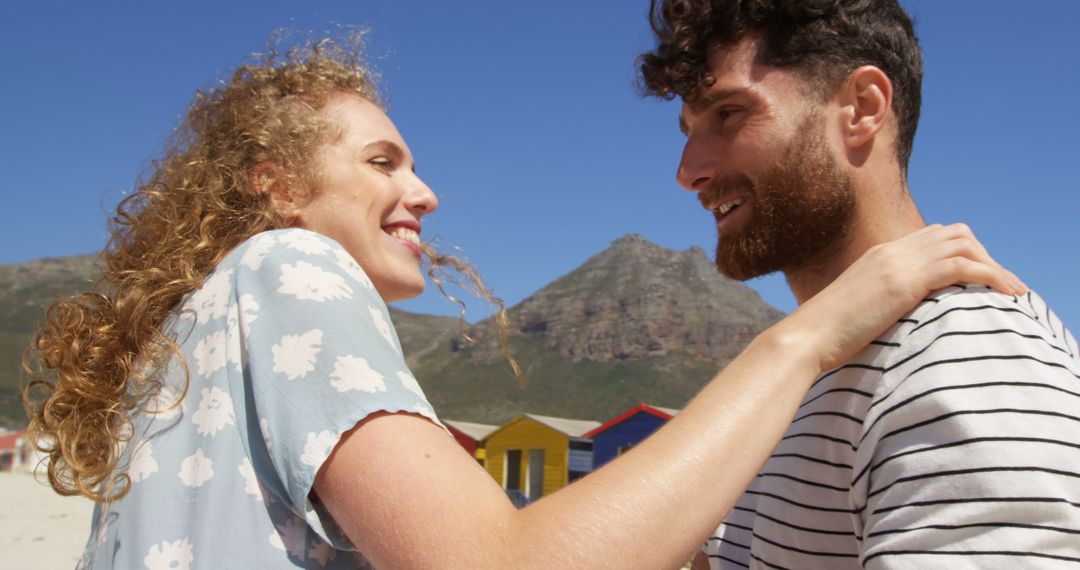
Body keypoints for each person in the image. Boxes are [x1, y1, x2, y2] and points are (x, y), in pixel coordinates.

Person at [22, 38, 1022, 570]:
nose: (426, 193)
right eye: (382, 161)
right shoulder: (288, 265)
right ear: (277, 186)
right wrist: (807, 337)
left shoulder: (197, 335)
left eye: (726, 116)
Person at [637, 0, 1080, 568]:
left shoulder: (963, 364)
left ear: (862, 108)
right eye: (689, 129)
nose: (687, 170)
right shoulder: (802, 376)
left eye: (728, 113)